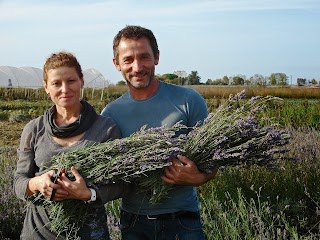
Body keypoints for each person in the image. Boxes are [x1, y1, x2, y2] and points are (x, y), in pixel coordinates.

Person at [101, 25, 218, 240]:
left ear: (156, 57)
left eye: (144, 57)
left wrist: (199, 177)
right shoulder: (110, 114)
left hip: (183, 222)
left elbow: (213, 161)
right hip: (134, 223)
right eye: (128, 60)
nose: (137, 67)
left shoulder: (188, 101)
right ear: (116, 64)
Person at [14, 51, 129, 240]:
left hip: (89, 234)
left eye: (71, 81)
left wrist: (88, 194)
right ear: (46, 87)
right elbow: (19, 182)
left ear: (82, 81)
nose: (65, 89)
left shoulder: (105, 128)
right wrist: (37, 183)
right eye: (56, 83)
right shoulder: (34, 129)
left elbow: (122, 184)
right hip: (38, 234)